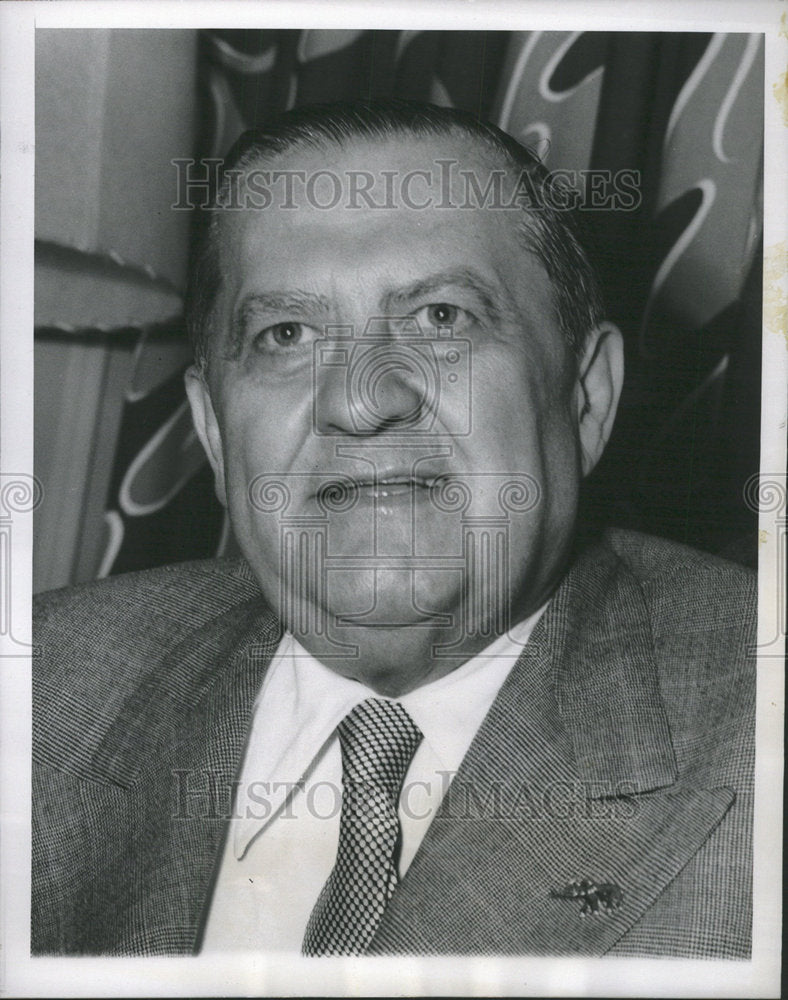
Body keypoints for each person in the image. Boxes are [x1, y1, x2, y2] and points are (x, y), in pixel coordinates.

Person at [32, 100, 755, 958]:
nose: (360, 400)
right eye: (287, 333)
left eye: (441, 317)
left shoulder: (758, 731)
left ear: (586, 399)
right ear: (216, 434)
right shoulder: (41, 689)